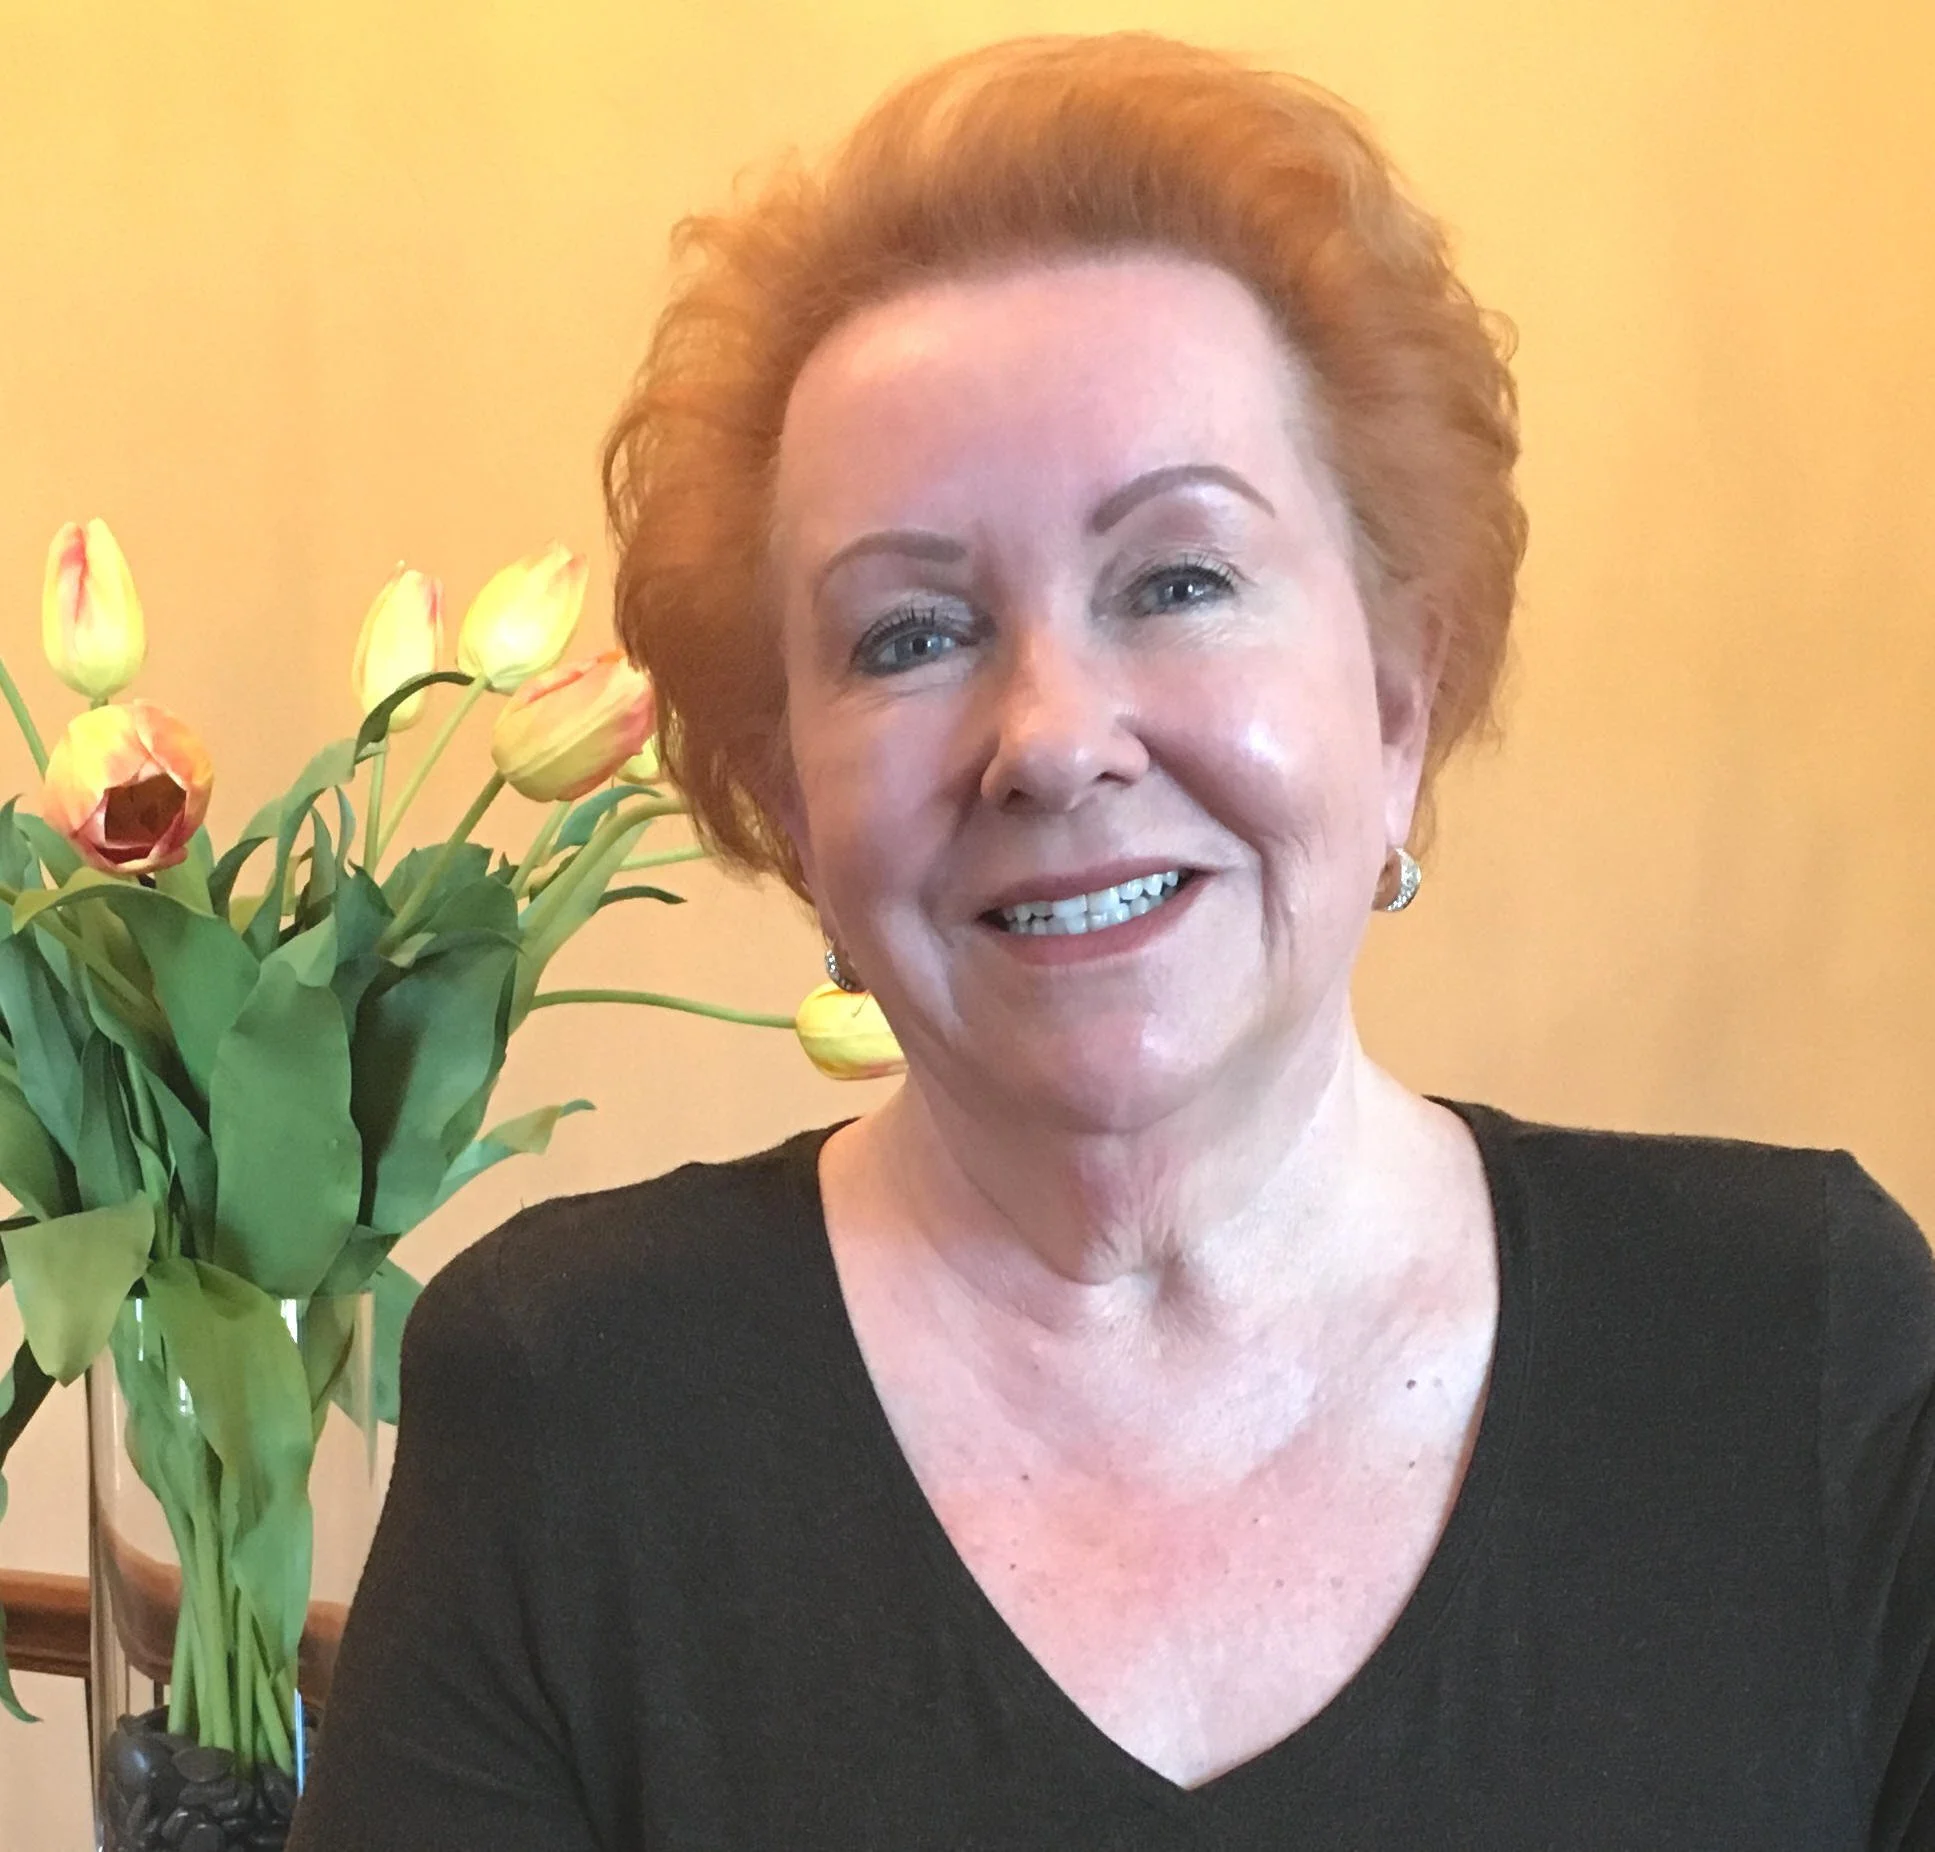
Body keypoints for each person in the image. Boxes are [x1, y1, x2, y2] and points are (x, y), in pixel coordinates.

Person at [288, 33, 1935, 1850]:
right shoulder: (572, 1401)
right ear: (787, 796)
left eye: (1177, 581)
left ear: (1395, 699)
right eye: (909, 633)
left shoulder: (1801, 1345)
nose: (1051, 737)